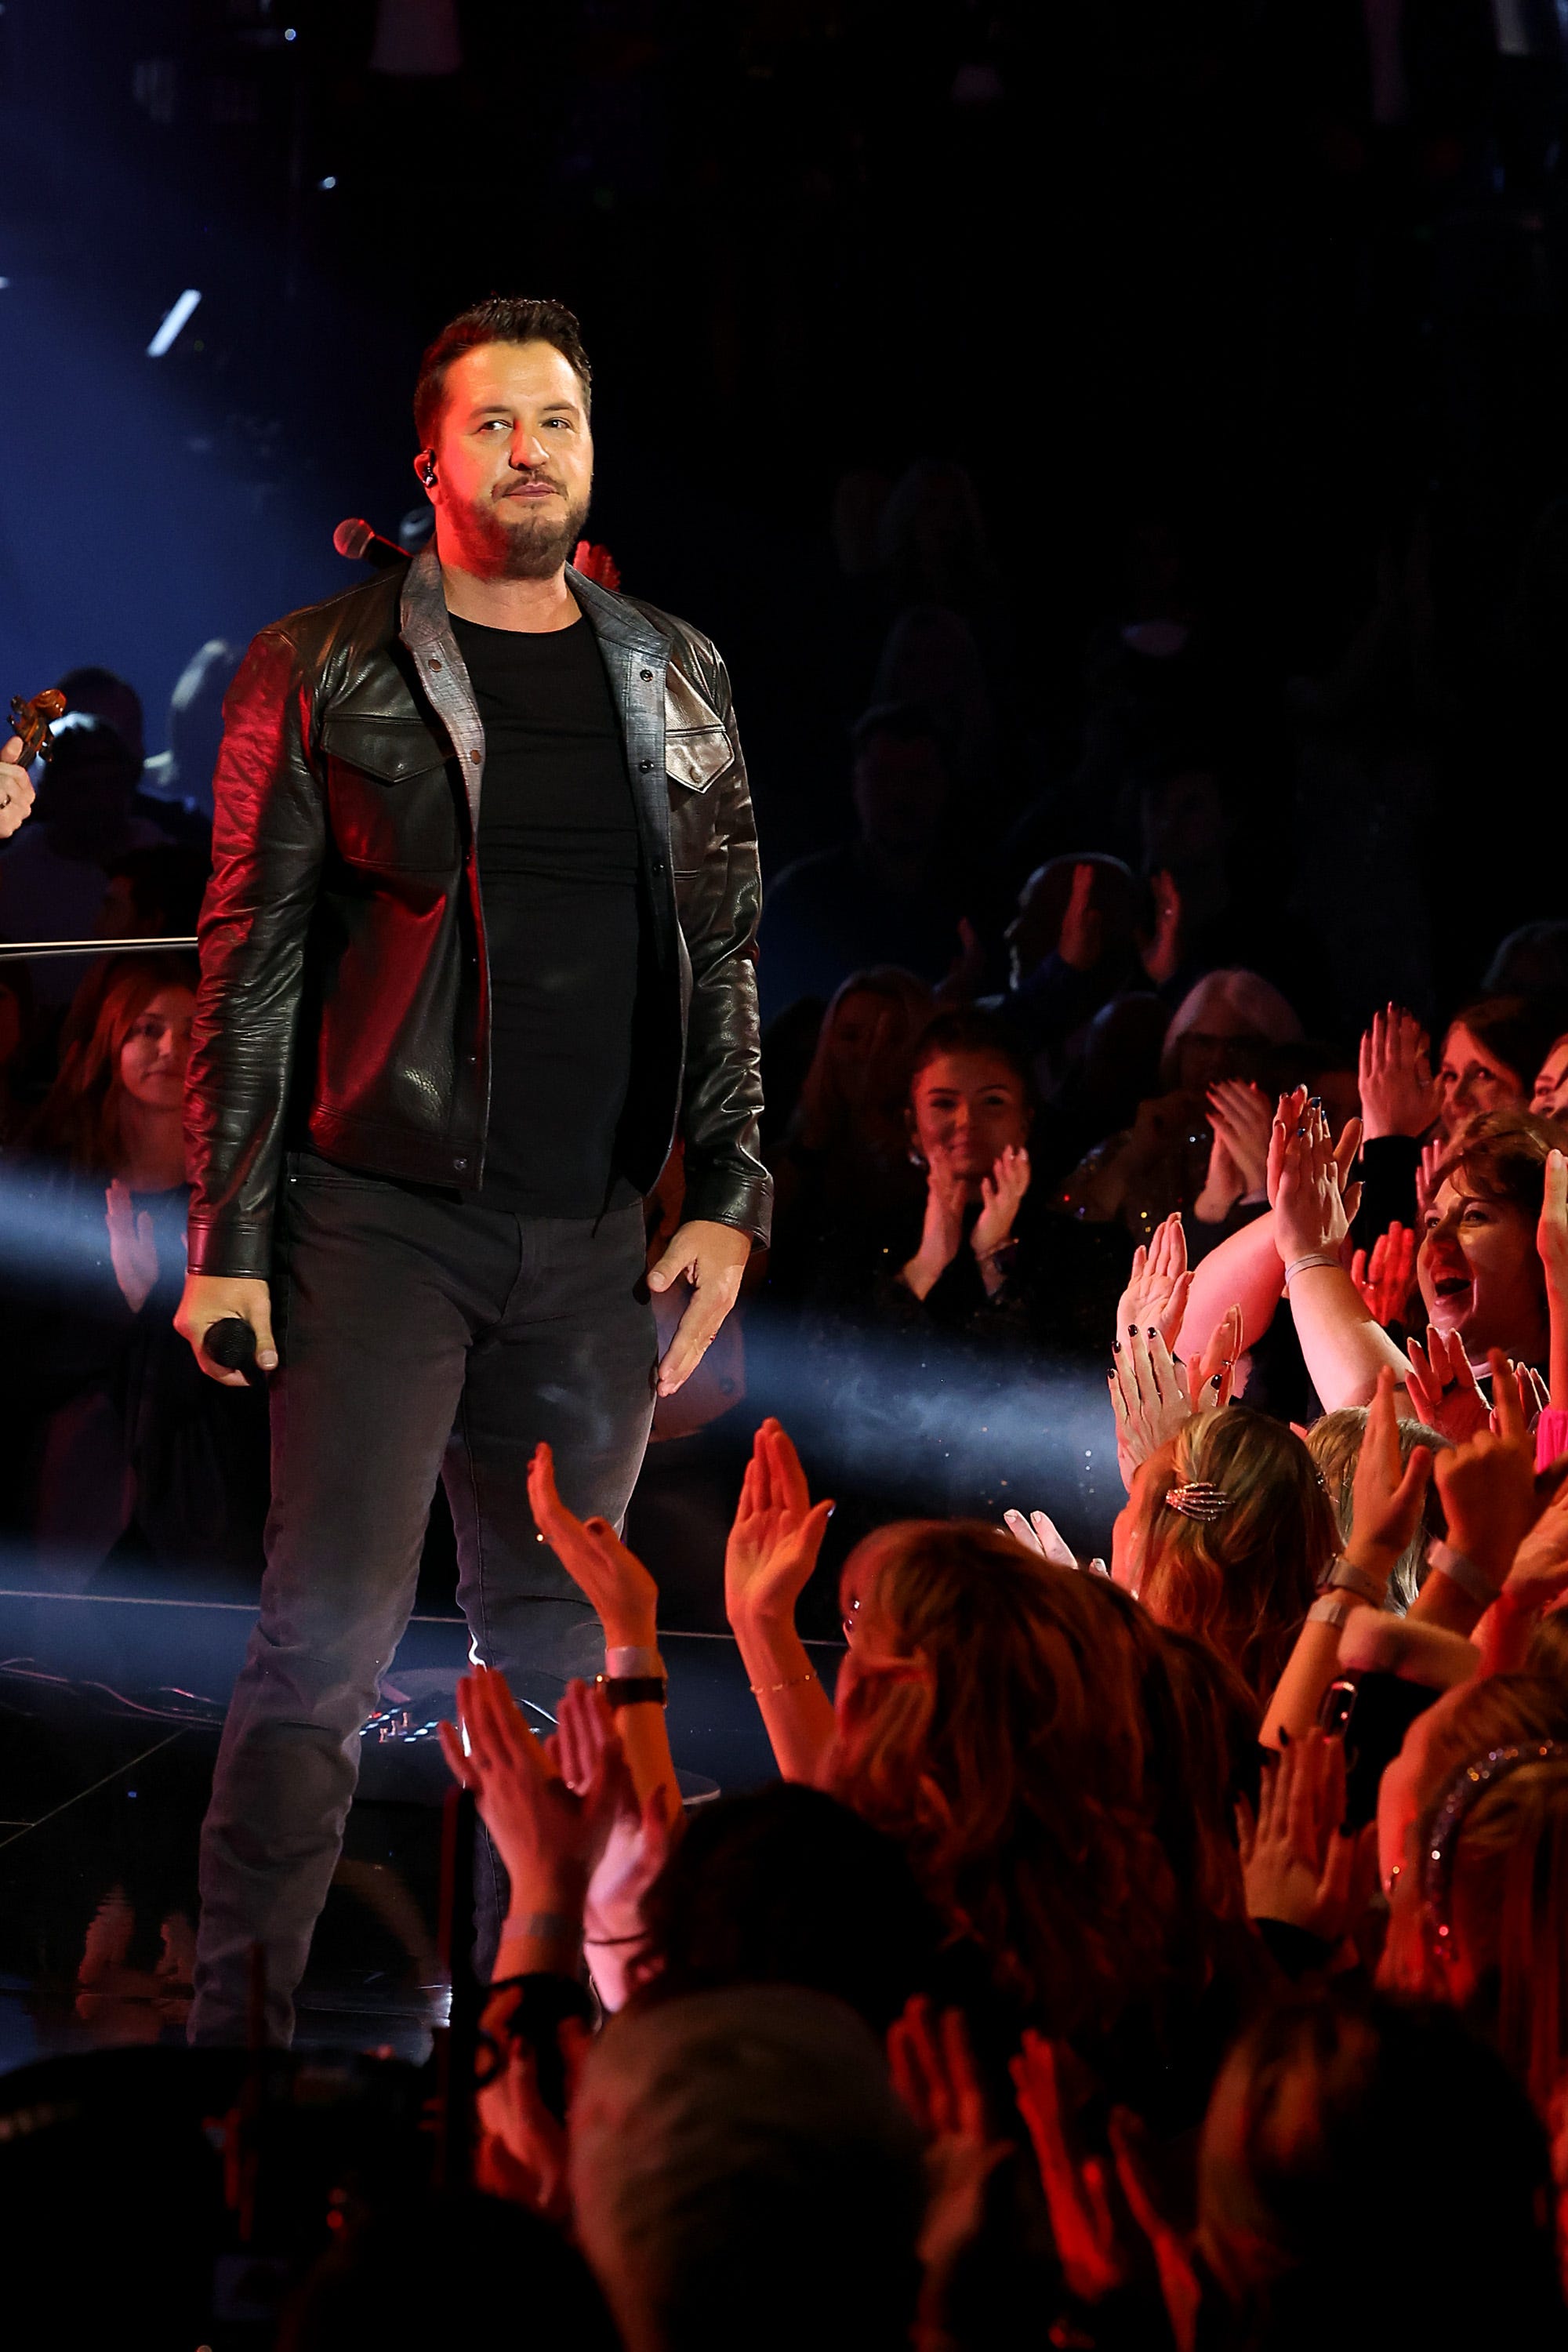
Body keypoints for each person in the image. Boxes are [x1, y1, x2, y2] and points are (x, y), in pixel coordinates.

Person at [175, 293, 769, 2045]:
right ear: (427, 459)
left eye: (558, 421)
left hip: (590, 1238)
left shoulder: (676, 665)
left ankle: (553, 2051)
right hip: (375, 1222)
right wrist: (231, 1234)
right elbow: (252, 958)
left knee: (567, 1663)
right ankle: (237, 2072)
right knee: (323, 1651)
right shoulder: (323, 662)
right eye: (496, 422)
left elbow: (727, 944)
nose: (531, 449)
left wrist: (731, 1196)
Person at [755, 706, 975, 1021]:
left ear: (944, 784)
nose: (901, 795)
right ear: (856, 783)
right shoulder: (803, 897)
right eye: (884, 776)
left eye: (918, 777)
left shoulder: (977, 895)